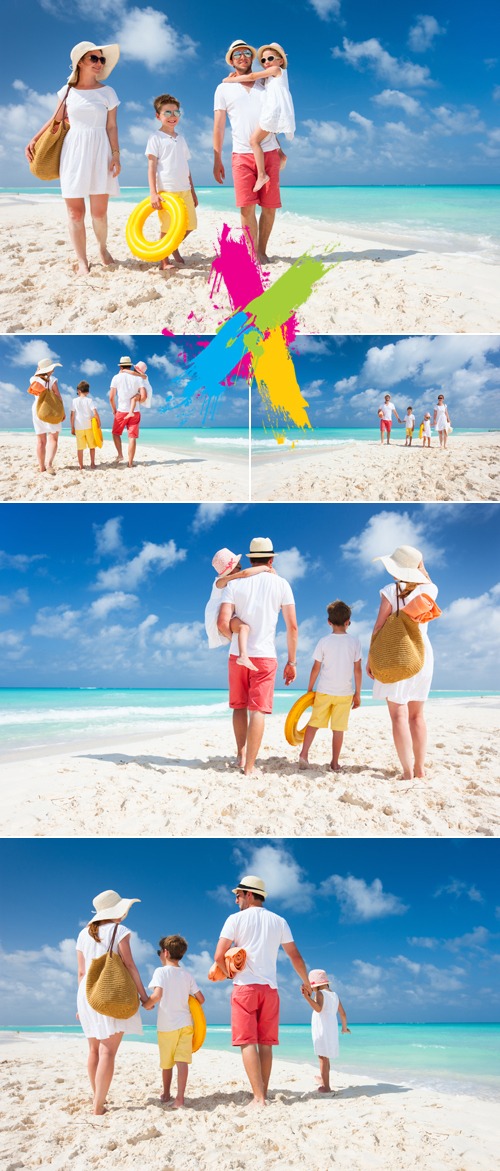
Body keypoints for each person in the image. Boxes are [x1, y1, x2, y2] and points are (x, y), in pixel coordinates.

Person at [213, 874, 311, 1109]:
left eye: (238, 895)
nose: (236, 900)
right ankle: (262, 1092)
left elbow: (218, 956)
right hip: (271, 990)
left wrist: (228, 973)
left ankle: (258, 1098)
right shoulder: (279, 921)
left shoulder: (234, 920)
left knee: (248, 1043)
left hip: (245, 988)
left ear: (248, 894)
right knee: (265, 1044)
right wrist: (306, 982)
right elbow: (294, 956)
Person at [25, 41, 121, 277]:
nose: (99, 63)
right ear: (80, 62)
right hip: (73, 151)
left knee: (99, 213)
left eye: (102, 59)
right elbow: (55, 119)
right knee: (75, 213)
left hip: (101, 150)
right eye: (94, 58)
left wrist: (116, 154)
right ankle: (82, 260)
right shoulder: (67, 90)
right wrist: (35, 139)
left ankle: (102, 248)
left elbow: (111, 126)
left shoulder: (108, 92)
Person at [217, 537, 298, 775]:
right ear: (271, 560)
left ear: (251, 559)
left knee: (239, 707)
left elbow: (223, 622)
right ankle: (250, 767)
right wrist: (291, 661)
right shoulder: (281, 584)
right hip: (264, 657)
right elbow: (292, 627)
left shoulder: (233, 584)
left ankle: (240, 755)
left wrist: (235, 640)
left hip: (236, 656)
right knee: (258, 711)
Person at [366, 545, 439, 780]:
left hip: (396, 653)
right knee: (417, 716)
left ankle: (407, 772)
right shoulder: (430, 589)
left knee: (398, 715)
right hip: (421, 654)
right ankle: (420, 768)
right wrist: (421, 568)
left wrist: (371, 657)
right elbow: (426, 580)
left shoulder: (390, 590)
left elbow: (379, 626)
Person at [76, 889, 151, 1115]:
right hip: (109, 992)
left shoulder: (82, 934)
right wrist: (143, 996)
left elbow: (81, 972)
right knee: (108, 1051)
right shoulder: (120, 930)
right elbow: (129, 965)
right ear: (117, 910)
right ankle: (98, 1106)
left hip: (87, 994)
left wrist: (80, 1005)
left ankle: (98, 1097)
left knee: (94, 1050)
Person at [214, 40, 283, 262]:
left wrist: (280, 148)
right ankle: (252, 253)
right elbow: (218, 125)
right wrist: (217, 158)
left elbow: (273, 116)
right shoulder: (223, 88)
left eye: (246, 53)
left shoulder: (266, 81)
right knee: (246, 207)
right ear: (231, 60)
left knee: (270, 207)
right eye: (237, 54)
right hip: (241, 154)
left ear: (251, 58)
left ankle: (262, 250)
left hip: (269, 151)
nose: (242, 57)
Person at [298, 600, 362, 773]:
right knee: (338, 729)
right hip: (345, 693)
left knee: (314, 723)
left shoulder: (323, 641)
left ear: (329, 622)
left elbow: (315, 668)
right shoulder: (355, 642)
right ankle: (334, 763)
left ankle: (303, 754)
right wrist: (358, 693)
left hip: (324, 691)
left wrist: (309, 690)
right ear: (348, 621)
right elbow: (357, 670)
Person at [224, 43, 294, 194]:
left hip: (274, 110)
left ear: (280, 60)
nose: (266, 62)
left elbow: (252, 76)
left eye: (270, 58)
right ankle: (281, 155)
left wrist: (229, 80)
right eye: (263, 61)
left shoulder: (276, 70)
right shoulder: (269, 77)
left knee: (254, 140)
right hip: (274, 110)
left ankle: (262, 175)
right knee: (268, 134)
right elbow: (255, 80)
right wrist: (235, 76)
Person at [144, 934, 205, 1109]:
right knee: (182, 1062)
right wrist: (184, 996)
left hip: (166, 1026)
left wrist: (146, 1004)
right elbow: (201, 999)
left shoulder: (160, 972)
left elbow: (157, 996)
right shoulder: (187, 975)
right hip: (186, 1025)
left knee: (167, 1064)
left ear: (165, 953)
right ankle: (180, 1099)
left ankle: (165, 1094)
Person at [146, 93, 198, 271]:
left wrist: (193, 191)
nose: (172, 116)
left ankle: (173, 246)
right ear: (158, 116)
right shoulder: (155, 138)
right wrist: (153, 193)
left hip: (184, 189)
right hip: (167, 191)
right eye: (167, 112)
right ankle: (164, 260)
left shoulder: (181, 138)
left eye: (176, 112)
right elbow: (151, 167)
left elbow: (186, 167)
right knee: (167, 228)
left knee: (190, 225)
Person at [205, 546, 276, 671]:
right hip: (216, 617)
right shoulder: (219, 582)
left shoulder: (231, 582)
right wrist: (266, 567)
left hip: (226, 614)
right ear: (231, 569)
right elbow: (245, 574)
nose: (241, 567)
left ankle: (243, 654)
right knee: (244, 628)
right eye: (238, 565)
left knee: (243, 628)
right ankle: (243, 655)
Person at [301, 969, 350, 1094]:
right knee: (326, 1057)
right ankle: (324, 1080)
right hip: (331, 1028)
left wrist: (307, 998)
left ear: (315, 985)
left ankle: (326, 1087)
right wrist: (344, 1028)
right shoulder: (335, 995)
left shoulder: (320, 994)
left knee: (322, 1057)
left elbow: (318, 1009)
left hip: (322, 1028)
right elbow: (343, 1014)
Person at [28, 358, 64, 475]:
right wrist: (61, 412)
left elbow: (36, 390)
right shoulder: (52, 380)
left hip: (38, 410)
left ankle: (41, 467)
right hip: (51, 410)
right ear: (49, 369)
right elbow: (58, 396)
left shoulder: (33, 379)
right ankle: (49, 464)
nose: (53, 370)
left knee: (40, 441)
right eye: (52, 368)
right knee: (53, 438)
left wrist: (38, 371)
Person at [109, 356, 147, 467]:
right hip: (135, 411)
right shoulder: (139, 378)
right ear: (130, 366)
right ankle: (130, 463)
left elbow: (111, 397)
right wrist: (137, 398)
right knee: (132, 437)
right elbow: (143, 397)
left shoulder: (116, 377)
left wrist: (114, 410)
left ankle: (120, 454)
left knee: (116, 433)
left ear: (120, 366)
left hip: (121, 411)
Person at [70, 380, 101, 470]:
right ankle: (92, 464)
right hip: (89, 427)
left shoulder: (74, 401)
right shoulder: (89, 400)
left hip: (78, 427)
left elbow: (72, 415)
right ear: (87, 392)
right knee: (92, 446)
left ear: (79, 391)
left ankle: (81, 466)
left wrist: (72, 427)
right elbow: (95, 412)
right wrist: (99, 423)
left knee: (80, 448)